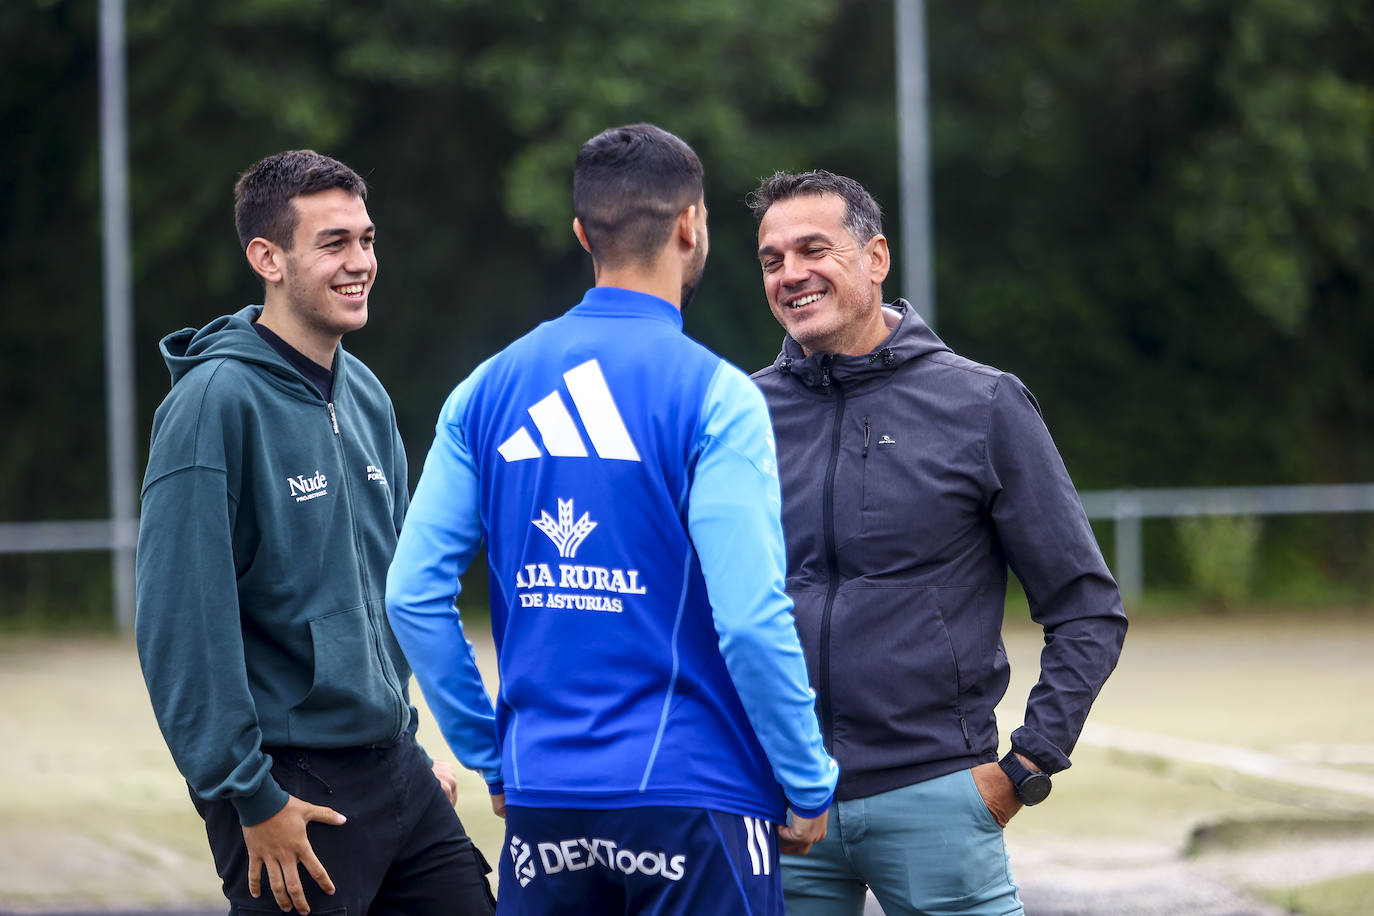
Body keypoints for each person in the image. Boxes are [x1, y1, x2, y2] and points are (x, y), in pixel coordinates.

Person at [385, 124, 838, 915]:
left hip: (545, 801)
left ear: (581, 234)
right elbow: (752, 620)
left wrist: (496, 760)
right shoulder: (719, 395)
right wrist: (806, 780)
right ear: (692, 224)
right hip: (696, 796)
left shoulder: (484, 389)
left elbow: (413, 596)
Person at [747, 169, 1128, 916]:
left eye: (813, 250)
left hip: (937, 799)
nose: (791, 274)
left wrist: (1023, 769)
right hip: (778, 805)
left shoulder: (982, 403)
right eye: (771, 259)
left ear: (876, 257)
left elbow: (1086, 606)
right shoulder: (739, 414)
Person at [135, 149, 496, 916]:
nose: (361, 261)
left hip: (396, 770)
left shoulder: (364, 391)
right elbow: (180, 628)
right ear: (267, 257)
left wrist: (409, 743)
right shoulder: (213, 404)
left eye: (367, 240)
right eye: (334, 243)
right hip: (289, 789)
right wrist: (249, 797)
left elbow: (381, 594)